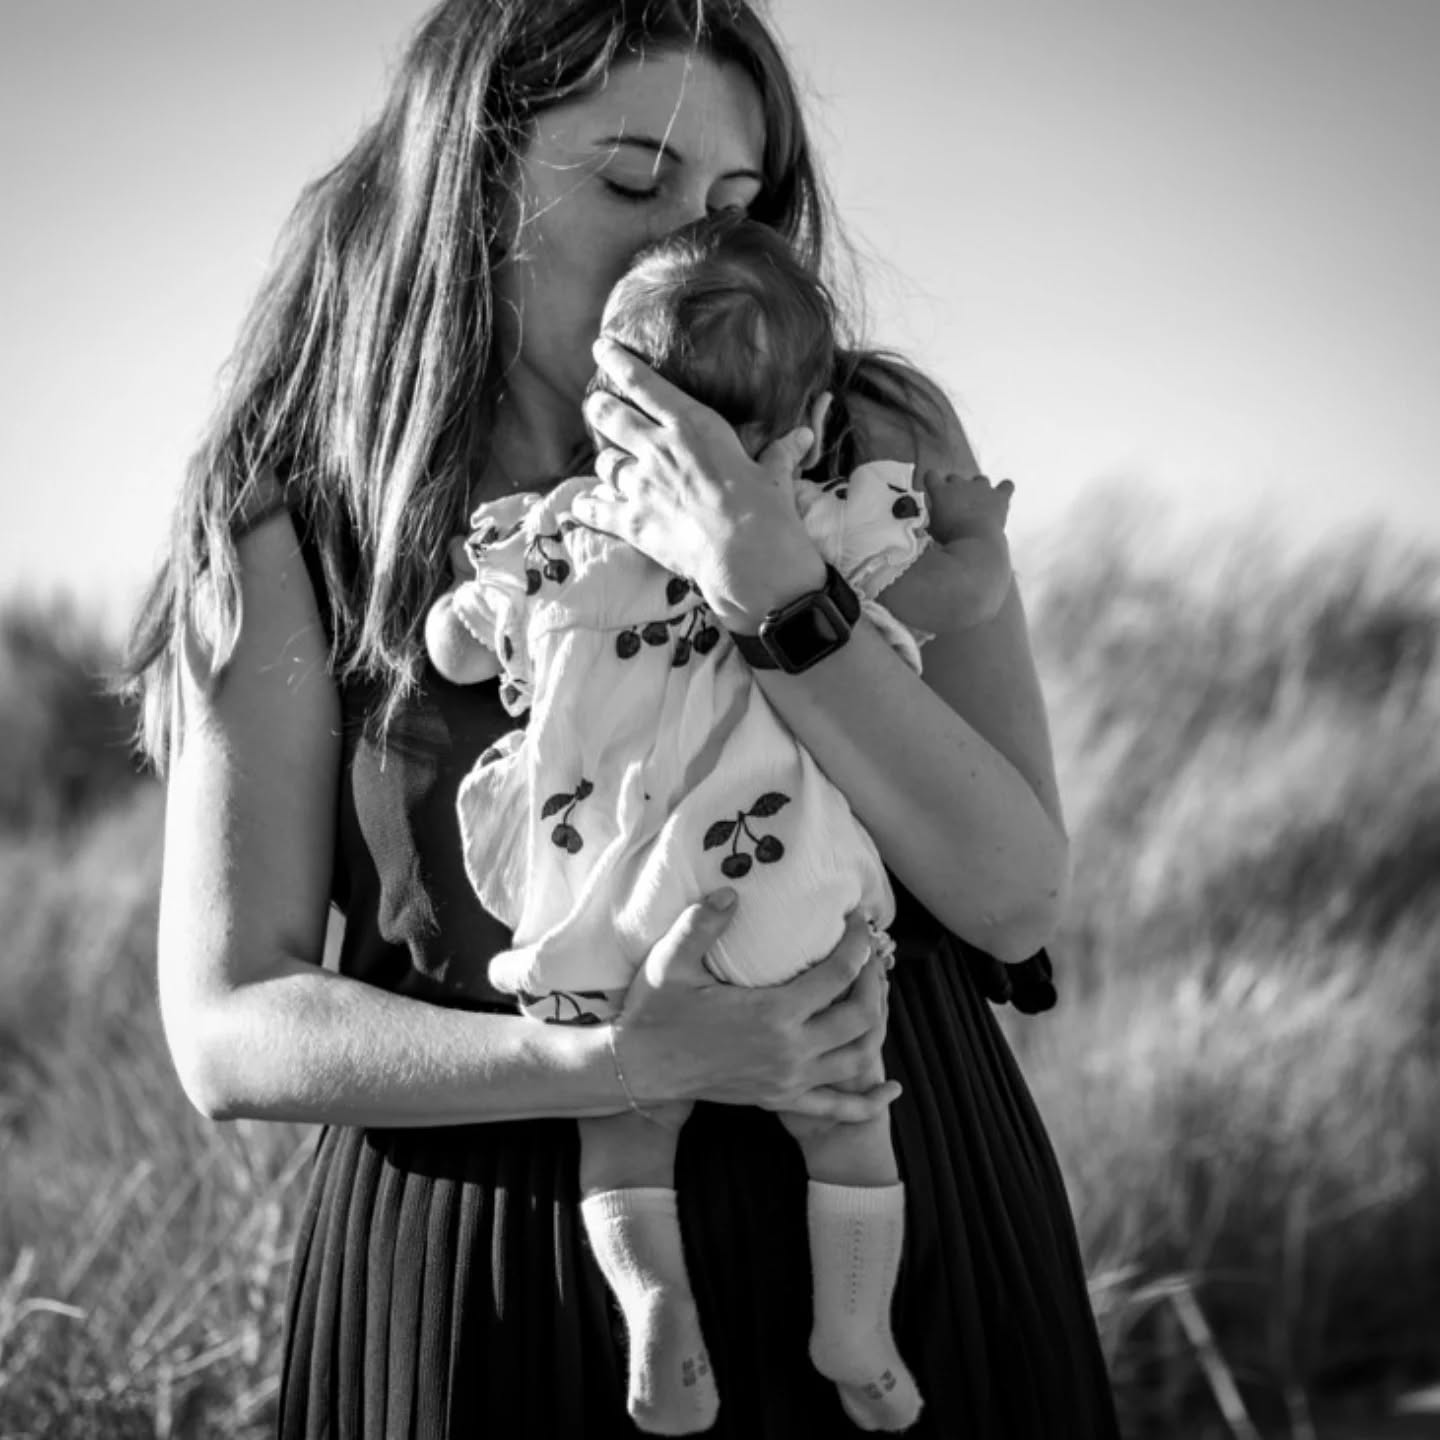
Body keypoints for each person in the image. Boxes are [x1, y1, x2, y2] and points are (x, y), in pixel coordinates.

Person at [125, 2, 1120, 1436]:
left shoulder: (872, 444)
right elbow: (232, 1028)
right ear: (469, 188)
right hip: (506, 1276)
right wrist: (622, 1065)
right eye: (632, 185)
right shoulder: (304, 519)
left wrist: (776, 589)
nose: (688, 249)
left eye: (734, 202)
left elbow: (1014, 898)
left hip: (904, 1209)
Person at [423, 213, 1015, 1434]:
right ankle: (854, 1326)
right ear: (801, 430)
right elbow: (959, 598)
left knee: (625, 1131)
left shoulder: (570, 524)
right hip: (785, 896)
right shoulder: (825, 517)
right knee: (848, 1113)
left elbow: (454, 645)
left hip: (613, 912)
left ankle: (656, 1313)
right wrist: (977, 535)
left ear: (616, 406)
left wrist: (480, 621)